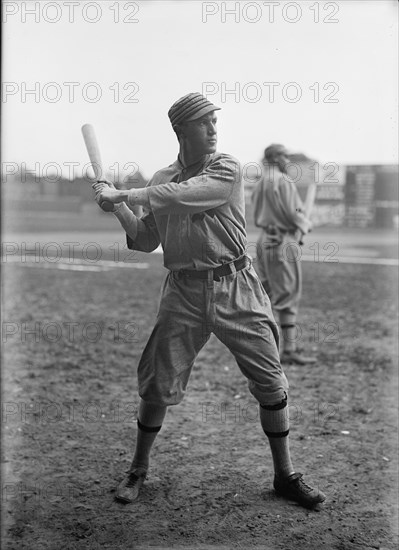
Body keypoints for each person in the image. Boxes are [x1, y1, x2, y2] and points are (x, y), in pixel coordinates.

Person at [92, 93, 326, 508]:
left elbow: (187, 194)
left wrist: (124, 195)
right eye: (204, 123)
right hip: (182, 291)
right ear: (181, 130)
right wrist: (115, 207)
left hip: (237, 285)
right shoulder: (163, 177)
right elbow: (146, 241)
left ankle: (285, 474)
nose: (214, 130)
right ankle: (138, 469)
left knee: (271, 382)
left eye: (215, 121)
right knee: (156, 383)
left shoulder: (226, 168)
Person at [252, 144, 317, 366]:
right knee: (287, 295)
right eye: (285, 156)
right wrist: (305, 224)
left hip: (263, 241)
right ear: (276, 157)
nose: (287, 161)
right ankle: (288, 349)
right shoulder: (283, 180)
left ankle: (264, 348)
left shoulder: (261, 181)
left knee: (266, 295)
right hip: (282, 241)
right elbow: (294, 213)